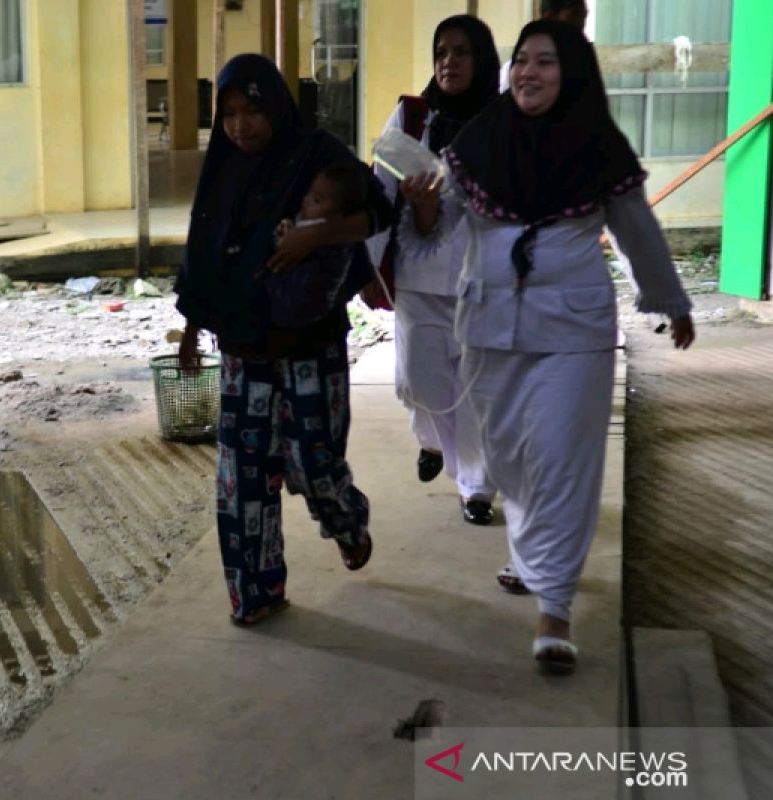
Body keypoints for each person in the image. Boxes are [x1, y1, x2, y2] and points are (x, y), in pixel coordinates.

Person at [401, 21, 695, 672]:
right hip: (490, 328)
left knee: (563, 457)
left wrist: (670, 300)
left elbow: (638, 229)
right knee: (508, 458)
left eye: (546, 62)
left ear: (574, 75)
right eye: (523, 61)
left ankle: (553, 608)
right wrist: (422, 211)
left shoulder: (598, 148)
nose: (529, 73)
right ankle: (533, 555)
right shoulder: (478, 141)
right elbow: (439, 230)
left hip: (573, 328)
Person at [175, 54, 393, 626]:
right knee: (242, 480)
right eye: (229, 114)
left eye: (252, 110)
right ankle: (256, 593)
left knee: (312, 466)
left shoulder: (316, 154)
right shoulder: (222, 168)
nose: (241, 126)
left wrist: (312, 235)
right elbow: (205, 251)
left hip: (310, 346)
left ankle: (346, 520)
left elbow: (378, 211)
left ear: (276, 105)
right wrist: (194, 326)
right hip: (244, 347)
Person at [370, 15, 501, 526]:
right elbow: (379, 190)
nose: (449, 61)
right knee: (420, 382)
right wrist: (366, 268)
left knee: (473, 390)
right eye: (442, 52)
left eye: (462, 52)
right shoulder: (411, 116)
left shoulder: (505, 122)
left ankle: (476, 487)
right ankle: (430, 441)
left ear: (482, 59)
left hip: (481, 281)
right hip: (419, 275)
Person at [264, 162, 370, 329]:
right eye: (309, 194)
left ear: (338, 215)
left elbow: (285, 252)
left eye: (316, 199)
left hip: (297, 306)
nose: (305, 201)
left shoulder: (327, 241)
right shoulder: (312, 222)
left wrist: (279, 237)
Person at [499, 0, 588, 92]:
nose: (527, 73)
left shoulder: (581, 67)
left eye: (584, 17)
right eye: (521, 60)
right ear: (549, 17)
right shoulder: (510, 74)